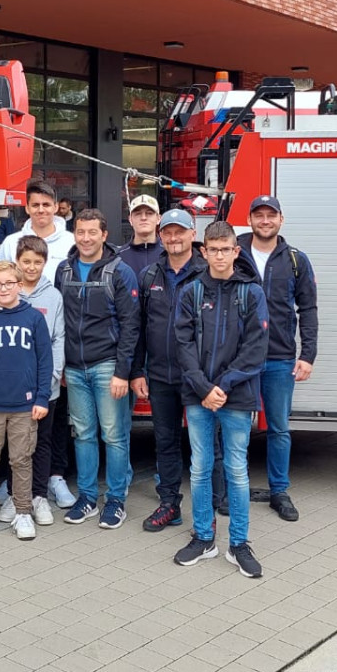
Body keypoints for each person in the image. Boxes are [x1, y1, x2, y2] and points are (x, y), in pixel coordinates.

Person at [173, 221, 269, 578]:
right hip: (199, 397)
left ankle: (239, 543)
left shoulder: (251, 293)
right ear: (204, 252)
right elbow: (181, 345)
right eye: (212, 249)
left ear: (235, 251)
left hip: (237, 396)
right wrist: (202, 387)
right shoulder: (191, 292)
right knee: (199, 469)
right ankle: (203, 538)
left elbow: (256, 349)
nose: (218, 255)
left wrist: (223, 386)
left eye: (225, 249)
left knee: (237, 471)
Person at [235, 195, 318, 522]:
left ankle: (279, 491)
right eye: (259, 215)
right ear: (250, 219)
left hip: (280, 358)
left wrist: (307, 353)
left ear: (281, 219)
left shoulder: (296, 260)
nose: (265, 220)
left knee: (279, 429)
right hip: (238, 358)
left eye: (271, 215)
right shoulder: (234, 252)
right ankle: (233, 488)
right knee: (236, 426)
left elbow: (308, 309)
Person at [55, 208, 140, 528]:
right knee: (84, 436)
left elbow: (132, 326)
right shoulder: (64, 270)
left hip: (108, 367)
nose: (86, 238)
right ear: (74, 233)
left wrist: (123, 372)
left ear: (105, 235)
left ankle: (116, 500)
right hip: (74, 369)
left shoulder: (120, 272)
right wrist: (61, 366)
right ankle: (88, 497)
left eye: (93, 232)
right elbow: (58, 322)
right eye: (81, 232)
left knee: (115, 436)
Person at [132, 208, 209, 532]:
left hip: (199, 377)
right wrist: (137, 370)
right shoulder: (150, 276)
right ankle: (169, 504)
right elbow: (137, 328)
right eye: (168, 232)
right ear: (161, 236)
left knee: (206, 443)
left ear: (193, 233)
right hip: (161, 376)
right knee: (165, 442)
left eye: (180, 231)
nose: (174, 238)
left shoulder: (209, 273)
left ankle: (215, 502)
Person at [0, 261, 53, 541]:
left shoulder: (33, 318)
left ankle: (23, 512)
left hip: (24, 405)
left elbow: (44, 361)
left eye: (9, 283)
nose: (3, 288)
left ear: (19, 285)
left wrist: (41, 397)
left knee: (22, 460)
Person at [12, 236, 64, 525]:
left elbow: (59, 339)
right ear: (18, 262)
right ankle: (14, 493)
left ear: (45, 264)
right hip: (14, 387)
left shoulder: (53, 296)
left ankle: (38, 495)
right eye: (26, 261)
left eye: (37, 262)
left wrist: (52, 376)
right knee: (15, 443)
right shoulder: (9, 294)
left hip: (45, 386)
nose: (31, 267)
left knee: (41, 442)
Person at [0, 178, 73, 268]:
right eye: (35, 205)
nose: (41, 210)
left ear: (56, 207)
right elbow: (0, 278)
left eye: (46, 205)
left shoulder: (71, 242)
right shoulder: (11, 243)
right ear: (27, 208)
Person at [119, 194, 162, 278]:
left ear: (158, 219)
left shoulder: (169, 254)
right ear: (130, 219)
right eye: (138, 214)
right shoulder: (118, 258)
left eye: (149, 213)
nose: (143, 217)